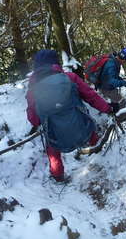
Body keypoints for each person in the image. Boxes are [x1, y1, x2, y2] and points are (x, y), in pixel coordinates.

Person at [25, 49, 119, 183]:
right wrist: (108, 108)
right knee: (89, 127)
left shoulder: (33, 90)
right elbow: (91, 96)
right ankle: (100, 156)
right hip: (81, 128)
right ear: (55, 63)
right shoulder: (70, 78)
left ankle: (58, 176)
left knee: (52, 148)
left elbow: (34, 120)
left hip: (56, 136)